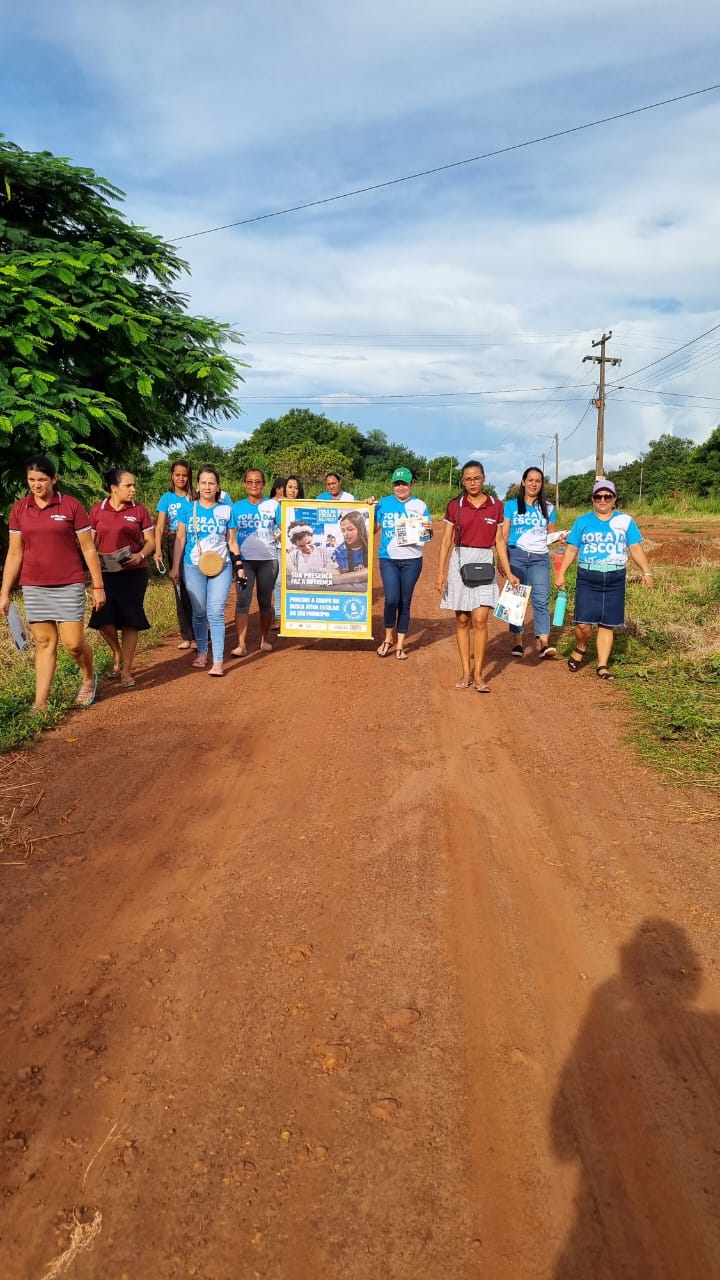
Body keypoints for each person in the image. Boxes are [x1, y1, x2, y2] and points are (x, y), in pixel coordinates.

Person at [0, 454, 105, 711]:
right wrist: (4, 592)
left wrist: (98, 586)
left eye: (42, 479)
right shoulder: (20, 510)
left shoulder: (71, 506)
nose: (37, 485)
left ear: (54, 479)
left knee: (73, 643)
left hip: (69, 584)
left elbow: (88, 548)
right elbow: (15, 553)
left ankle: (88, 676)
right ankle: (40, 703)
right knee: (45, 644)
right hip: (34, 586)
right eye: (31, 480)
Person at [555, 478, 653, 680]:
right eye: (598, 496)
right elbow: (572, 548)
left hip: (615, 577)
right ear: (592, 499)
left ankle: (602, 665)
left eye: (607, 496)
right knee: (582, 624)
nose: (602, 500)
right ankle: (581, 647)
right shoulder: (582, 521)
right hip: (588, 576)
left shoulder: (625, 521)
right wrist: (561, 573)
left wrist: (646, 572)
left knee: (607, 623)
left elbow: (635, 548)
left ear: (614, 499)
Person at [435, 459, 518, 693]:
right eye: (468, 479)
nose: (472, 482)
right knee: (462, 620)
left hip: (484, 562)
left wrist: (508, 572)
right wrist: (440, 573)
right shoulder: (455, 506)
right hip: (460, 562)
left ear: (484, 478)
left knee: (480, 620)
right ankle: (465, 673)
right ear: (463, 481)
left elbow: (499, 540)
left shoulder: (496, 505)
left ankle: (480, 674)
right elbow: (446, 541)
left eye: (476, 478)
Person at [89, 468, 154, 689]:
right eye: (128, 485)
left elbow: (151, 541)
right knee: (102, 618)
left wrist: (140, 555)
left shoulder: (139, 511)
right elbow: (91, 543)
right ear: (113, 488)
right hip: (105, 573)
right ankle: (117, 652)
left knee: (130, 620)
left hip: (134, 574)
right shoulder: (98, 510)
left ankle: (126, 671)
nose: (133, 489)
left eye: (134, 485)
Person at [170, 465, 233, 676]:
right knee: (198, 613)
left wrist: (239, 566)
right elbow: (180, 538)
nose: (207, 487)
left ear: (218, 486)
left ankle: (218, 660)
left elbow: (231, 542)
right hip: (193, 566)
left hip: (221, 566)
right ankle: (202, 652)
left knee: (214, 613)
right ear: (197, 485)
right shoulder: (187, 509)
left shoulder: (226, 510)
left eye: (211, 483)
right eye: (204, 482)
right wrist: (174, 567)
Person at [374, 467, 432, 660]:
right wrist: (367, 509)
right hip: (388, 558)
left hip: (412, 560)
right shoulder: (382, 504)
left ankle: (400, 644)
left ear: (411, 485)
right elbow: (371, 529)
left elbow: (428, 534)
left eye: (404, 484)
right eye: (397, 484)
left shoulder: (420, 505)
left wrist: (429, 530)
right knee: (391, 599)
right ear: (393, 485)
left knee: (405, 601)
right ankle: (387, 638)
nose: (400, 487)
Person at [502, 466, 559, 659]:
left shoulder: (549, 508)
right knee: (516, 599)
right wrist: (502, 560)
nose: (534, 484)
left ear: (542, 484)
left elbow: (550, 535)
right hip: (516, 555)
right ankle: (517, 642)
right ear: (523, 482)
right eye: (531, 480)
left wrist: (559, 537)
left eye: (538, 481)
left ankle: (543, 643)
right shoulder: (510, 506)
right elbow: (503, 535)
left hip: (539, 558)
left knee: (541, 600)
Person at [228, 469, 280, 655]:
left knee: (265, 601)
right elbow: (230, 536)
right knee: (243, 601)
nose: (254, 485)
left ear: (263, 484)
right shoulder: (236, 507)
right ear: (244, 484)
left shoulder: (274, 506)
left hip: (268, 560)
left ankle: (264, 640)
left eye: (257, 482)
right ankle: (241, 644)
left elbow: (284, 527)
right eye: (250, 482)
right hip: (245, 562)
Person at [154, 458, 196, 651]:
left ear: (189, 477)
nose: (181, 478)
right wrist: (157, 549)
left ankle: (201, 634)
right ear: (172, 475)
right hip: (174, 542)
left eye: (184, 475)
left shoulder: (194, 496)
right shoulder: (167, 498)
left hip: (194, 543)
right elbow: (160, 526)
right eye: (177, 475)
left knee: (195, 588)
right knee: (179, 589)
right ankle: (186, 635)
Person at [332, 511, 370, 589]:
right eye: (343, 530)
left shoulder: (370, 545)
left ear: (360, 529)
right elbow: (341, 570)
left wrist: (339, 579)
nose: (345, 534)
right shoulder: (339, 551)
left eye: (350, 529)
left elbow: (369, 572)